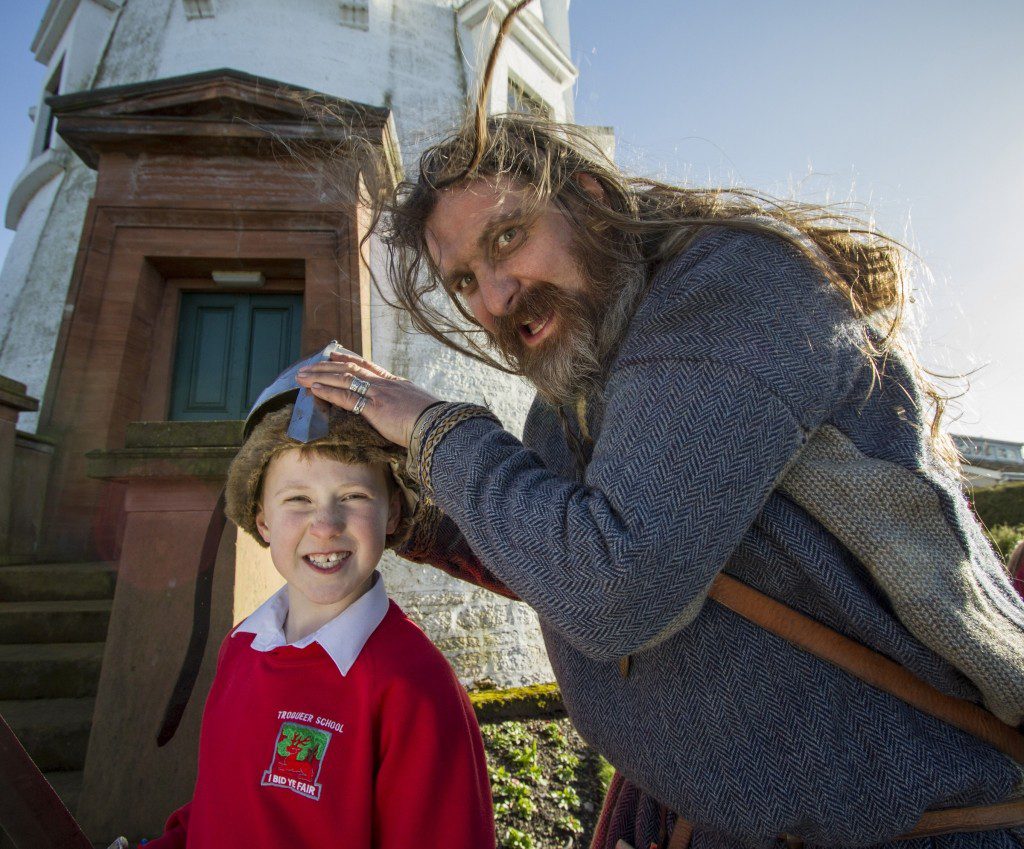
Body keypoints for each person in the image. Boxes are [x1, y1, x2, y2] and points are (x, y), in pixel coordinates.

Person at [295, 113, 1024, 848]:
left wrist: (435, 430)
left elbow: (614, 585)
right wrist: (403, 504)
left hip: (928, 828)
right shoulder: (563, 411)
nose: (494, 298)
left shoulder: (730, 288)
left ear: (586, 199)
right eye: (465, 280)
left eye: (508, 238)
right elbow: (547, 555)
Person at [143, 402, 495, 849]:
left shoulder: (415, 688)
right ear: (263, 520)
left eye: (353, 496)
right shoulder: (242, 646)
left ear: (391, 513)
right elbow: (226, 807)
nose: (325, 526)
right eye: (298, 500)